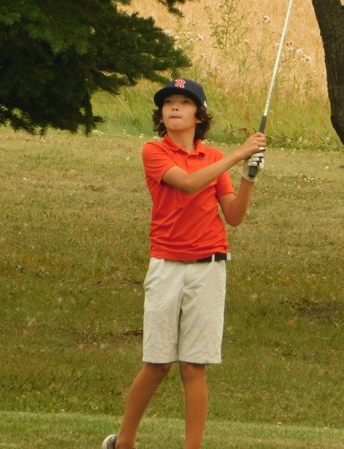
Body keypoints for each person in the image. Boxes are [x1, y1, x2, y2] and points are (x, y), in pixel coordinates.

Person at [103, 78, 266, 449]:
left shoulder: (213, 157)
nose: (174, 107)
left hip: (209, 267)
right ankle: (124, 442)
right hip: (167, 266)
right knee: (158, 364)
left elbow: (234, 216)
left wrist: (248, 178)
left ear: (199, 115)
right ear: (161, 115)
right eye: (168, 102)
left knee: (194, 366)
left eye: (184, 102)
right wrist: (238, 155)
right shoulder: (153, 151)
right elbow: (189, 184)